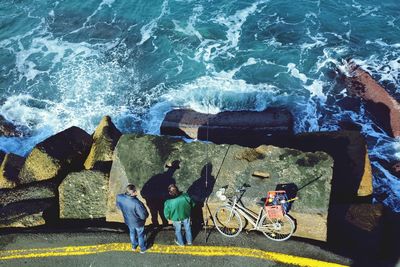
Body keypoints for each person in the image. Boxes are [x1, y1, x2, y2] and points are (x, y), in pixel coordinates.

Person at [116, 184, 149, 253]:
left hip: (128, 221)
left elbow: (118, 207)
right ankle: (142, 248)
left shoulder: (119, 197)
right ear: (133, 193)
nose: (136, 192)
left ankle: (134, 246)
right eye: (135, 191)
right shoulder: (137, 203)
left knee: (132, 233)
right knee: (140, 235)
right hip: (138, 223)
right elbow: (143, 216)